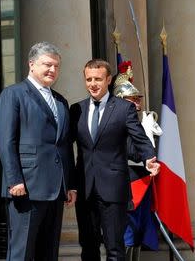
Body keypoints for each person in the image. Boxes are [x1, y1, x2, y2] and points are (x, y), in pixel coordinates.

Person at [0, 41, 77, 261]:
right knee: (22, 252)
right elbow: (6, 142)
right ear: (31, 64)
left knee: (48, 253)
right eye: (47, 64)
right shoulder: (13, 95)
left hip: (56, 188)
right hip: (26, 186)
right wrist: (14, 180)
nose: (52, 70)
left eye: (56, 66)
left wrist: (70, 185)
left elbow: (64, 145)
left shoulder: (60, 101)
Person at [70, 59, 160, 261]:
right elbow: (65, 144)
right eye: (89, 79)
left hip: (113, 190)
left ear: (108, 79)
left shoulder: (123, 108)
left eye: (98, 79)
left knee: (115, 248)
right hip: (85, 189)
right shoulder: (77, 109)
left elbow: (139, 138)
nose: (93, 84)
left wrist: (148, 158)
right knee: (88, 247)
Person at [113, 61, 161, 260]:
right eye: (132, 99)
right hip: (127, 184)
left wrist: (150, 135)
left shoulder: (139, 122)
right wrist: (145, 140)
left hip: (142, 184)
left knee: (140, 232)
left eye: (137, 99)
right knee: (127, 234)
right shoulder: (116, 123)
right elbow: (130, 151)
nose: (138, 103)